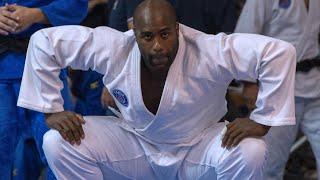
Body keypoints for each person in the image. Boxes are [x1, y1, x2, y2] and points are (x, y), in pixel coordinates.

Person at [18, 0, 296, 179]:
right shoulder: (114, 46)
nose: (158, 46)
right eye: (147, 36)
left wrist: (263, 120)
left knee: (251, 151)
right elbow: (44, 42)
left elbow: (278, 53)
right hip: (135, 145)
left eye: (165, 34)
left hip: (199, 148)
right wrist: (51, 109)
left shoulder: (210, 50)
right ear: (134, 33)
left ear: (177, 29)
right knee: (57, 142)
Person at [0, 1, 88, 179]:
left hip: (45, 69)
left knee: (60, 148)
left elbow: (77, 5)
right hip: (3, 69)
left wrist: (36, 14)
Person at [235, 0, 320, 179]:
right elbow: (243, 37)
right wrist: (249, 83)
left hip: (314, 86)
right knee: (270, 165)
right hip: (276, 91)